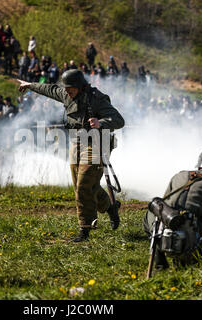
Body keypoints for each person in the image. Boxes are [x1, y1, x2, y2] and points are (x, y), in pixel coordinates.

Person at [18, 69, 125, 242]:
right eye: (66, 88)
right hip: (76, 142)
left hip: (96, 143)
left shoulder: (96, 98)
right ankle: (111, 207)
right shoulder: (66, 93)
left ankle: (85, 228)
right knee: (83, 186)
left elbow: (119, 120)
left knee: (83, 186)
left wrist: (101, 122)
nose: (67, 92)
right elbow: (50, 89)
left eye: (71, 89)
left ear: (80, 86)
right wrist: (30, 86)